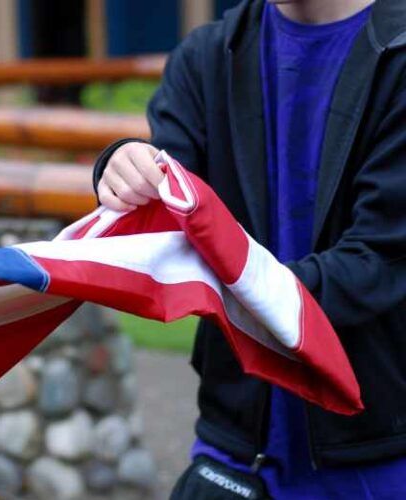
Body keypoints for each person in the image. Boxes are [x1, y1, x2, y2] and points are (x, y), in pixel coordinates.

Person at [92, 0, 406, 498]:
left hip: (377, 446)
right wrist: (124, 167)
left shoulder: (400, 54)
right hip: (234, 440)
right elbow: (167, 215)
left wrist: (233, 289)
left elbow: (380, 262)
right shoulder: (206, 55)